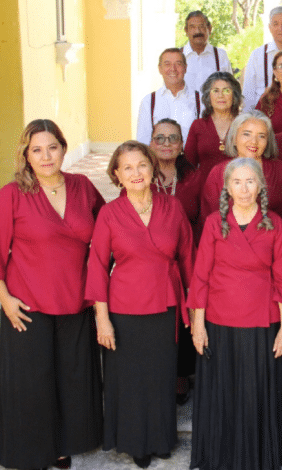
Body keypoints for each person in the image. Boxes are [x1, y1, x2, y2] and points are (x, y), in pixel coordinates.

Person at [0, 119, 104, 470]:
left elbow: (107, 231)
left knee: (71, 378)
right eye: (37, 150)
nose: (46, 156)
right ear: (26, 155)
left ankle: (64, 444)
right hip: (27, 303)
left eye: (52, 147)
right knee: (33, 382)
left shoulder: (83, 186)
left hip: (76, 301)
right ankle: (31, 451)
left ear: (64, 148)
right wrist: (5, 300)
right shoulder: (12, 194)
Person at [86, 141, 194, 469]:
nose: (136, 173)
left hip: (165, 304)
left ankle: (161, 439)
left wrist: (195, 308)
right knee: (129, 379)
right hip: (123, 308)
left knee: (161, 377)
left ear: (152, 168)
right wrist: (101, 319)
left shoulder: (172, 206)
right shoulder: (109, 213)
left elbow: (188, 256)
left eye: (142, 165)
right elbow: (96, 266)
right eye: (127, 168)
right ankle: (134, 441)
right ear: (116, 175)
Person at [188, 157, 282, 470]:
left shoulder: (273, 222)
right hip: (219, 322)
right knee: (224, 392)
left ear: (260, 184)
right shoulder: (213, 223)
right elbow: (201, 275)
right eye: (237, 182)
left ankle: (258, 457)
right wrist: (197, 324)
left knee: (255, 394)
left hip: (262, 321)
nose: (244, 189)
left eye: (250, 181)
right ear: (227, 187)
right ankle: (220, 456)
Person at [148, 118, 203, 404]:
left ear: (182, 145)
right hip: (153, 261)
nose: (166, 144)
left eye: (173, 138)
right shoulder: (140, 176)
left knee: (186, 315)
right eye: (160, 138)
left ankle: (182, 374)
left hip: (190, 257)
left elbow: (205, 216)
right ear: (151, 144)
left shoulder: (194, 178)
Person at [201, 110, 282, 237]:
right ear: (234, 138)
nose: (254, 141)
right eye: (247, 134)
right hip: (227, 246)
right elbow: (208, 218)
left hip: (272, 246)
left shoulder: (280, 169)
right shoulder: (218, 172)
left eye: (261, 136)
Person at [136, 48, 203, 145]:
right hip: (158, 159)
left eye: (178, 64)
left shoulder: (201, 100)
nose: (173, 69)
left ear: (185, 68)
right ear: (160, 69)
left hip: (191, 159)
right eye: (167, 64)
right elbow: (143, 141)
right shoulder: (148, 102)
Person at [184, 71, 242, 179]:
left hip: (238, 190)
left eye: (226, 90)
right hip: (204, 190)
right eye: (215, 91)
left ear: (234, 96)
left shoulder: (244, 124)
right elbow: (188, 166)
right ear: (208, 97)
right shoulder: (198, 125)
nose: (221, 95)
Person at [182, 11, 233, 94]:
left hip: (213, 107)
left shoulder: (220, 56)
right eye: (192, 27)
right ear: (186, 31)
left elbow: (229, 88)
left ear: (209, 29)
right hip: (183, 107)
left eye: (201, 26)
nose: (197, 31)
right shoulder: (178, 56)